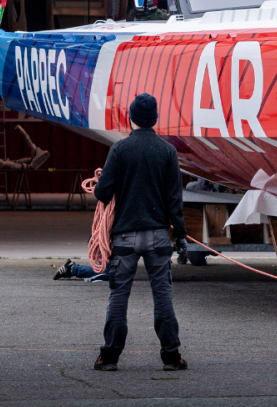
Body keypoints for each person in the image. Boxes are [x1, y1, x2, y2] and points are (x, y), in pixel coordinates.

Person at [91, 94, 189, 373]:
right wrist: (181, 235)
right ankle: (171, 357)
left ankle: (109, 357)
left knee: (119, 296)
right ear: (155, 119)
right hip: (158, 236)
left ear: (131, 118)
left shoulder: (120, 149)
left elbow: (102, 192)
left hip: (125, 236)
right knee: (163, 296)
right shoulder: (168, 151)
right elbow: (174, 199)